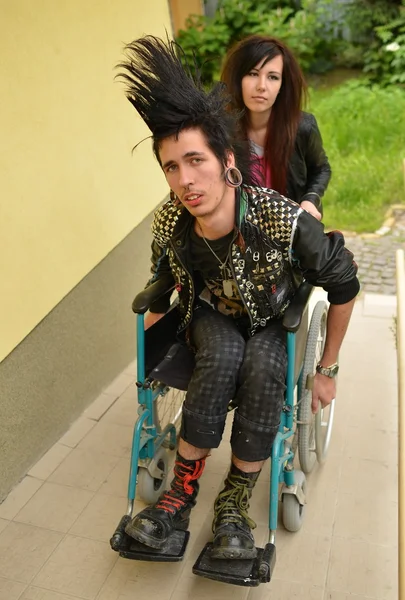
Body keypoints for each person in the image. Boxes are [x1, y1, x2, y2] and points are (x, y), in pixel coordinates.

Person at [116, 35, 359, 560]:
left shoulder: (280, 217)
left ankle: (234, 503)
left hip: (275, 315)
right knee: (223, 352)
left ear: (227, 159)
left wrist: (327, 369)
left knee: (263, 365)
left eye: (196, 161)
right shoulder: (171, 221)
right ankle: (178, 499)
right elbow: (161, 280)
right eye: (171, 167)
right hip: (212, 316)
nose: (185, 180)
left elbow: (344, 284)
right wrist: (152, 358)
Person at [221, 35, 331, 220]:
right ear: (238, 78)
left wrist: (310, 200)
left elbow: (321, 169)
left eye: (272, 77)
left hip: (291, 231)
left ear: (282, 85)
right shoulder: (221, 130)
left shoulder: (302, 127)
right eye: (253, 74)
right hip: (243, 232)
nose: (261, 86)